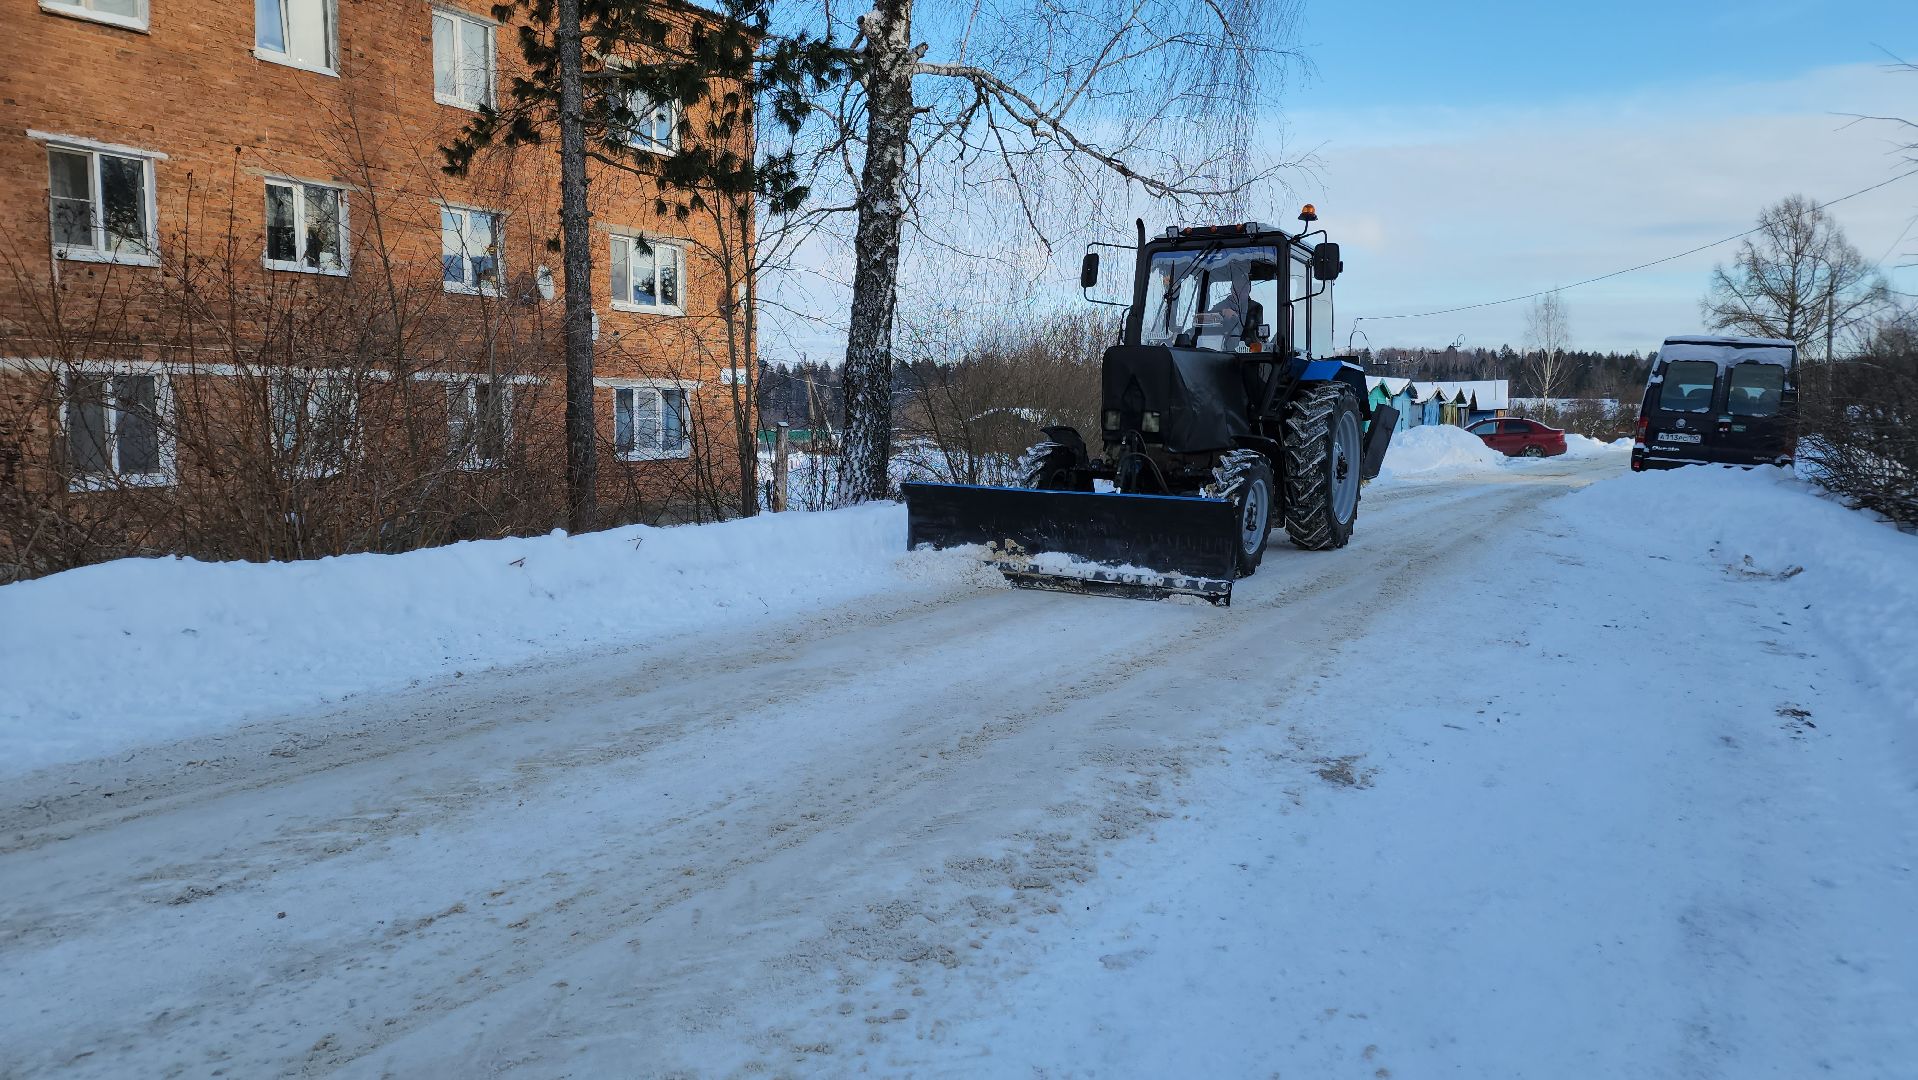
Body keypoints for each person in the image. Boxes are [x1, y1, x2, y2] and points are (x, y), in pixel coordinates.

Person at [1201, 264, 1265, 351]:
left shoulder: (1256, 307)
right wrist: (1222, 313)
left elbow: (1256, 331)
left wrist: (1237, 318)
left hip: (1248, 351)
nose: (1241, 291)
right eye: (1238, 287)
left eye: (1244, 288)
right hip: (1222, 349)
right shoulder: (1222, 305)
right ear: (1232, 289)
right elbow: (1202, 320)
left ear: (1249, 289)